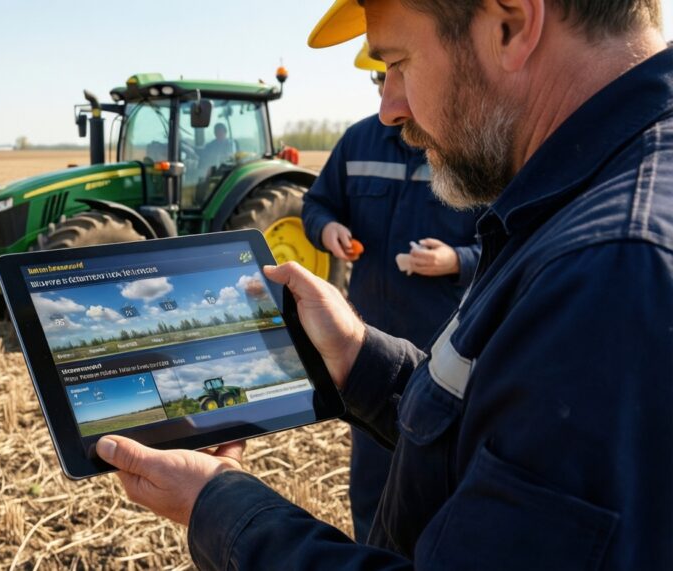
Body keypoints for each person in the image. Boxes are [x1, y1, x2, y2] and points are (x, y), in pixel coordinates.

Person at [93, 0, 673, 568]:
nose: (390, 108)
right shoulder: (584, 209)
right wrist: (356, 357)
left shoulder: (615, 273)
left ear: (510, 25)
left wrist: (217, 504)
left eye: (398, 62)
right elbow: (495, 435)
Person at [301, 41, 483, 543]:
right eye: (383, 78)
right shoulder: (358, 141)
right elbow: (316, 204)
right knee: (373, 481)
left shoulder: (468, 146)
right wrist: (328, 229)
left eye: (400, 72)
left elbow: (506, 242)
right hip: (369, 345)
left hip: (441, 348)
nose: (390, 96)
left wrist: (455, 260)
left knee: (438, 477)